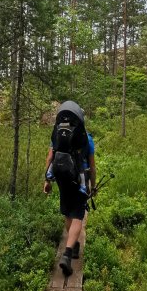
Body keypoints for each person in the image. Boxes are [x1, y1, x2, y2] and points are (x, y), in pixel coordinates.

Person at [43, 100, 96, 276]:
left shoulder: (57, 134)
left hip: (61, 177)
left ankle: (73, 245)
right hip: (80, 179)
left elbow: (50, 157)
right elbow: (92, 166)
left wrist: (47, 180)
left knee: (68, 213)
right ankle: (67, 254)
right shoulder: (87, 138)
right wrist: (93, 185)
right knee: (78, 215)